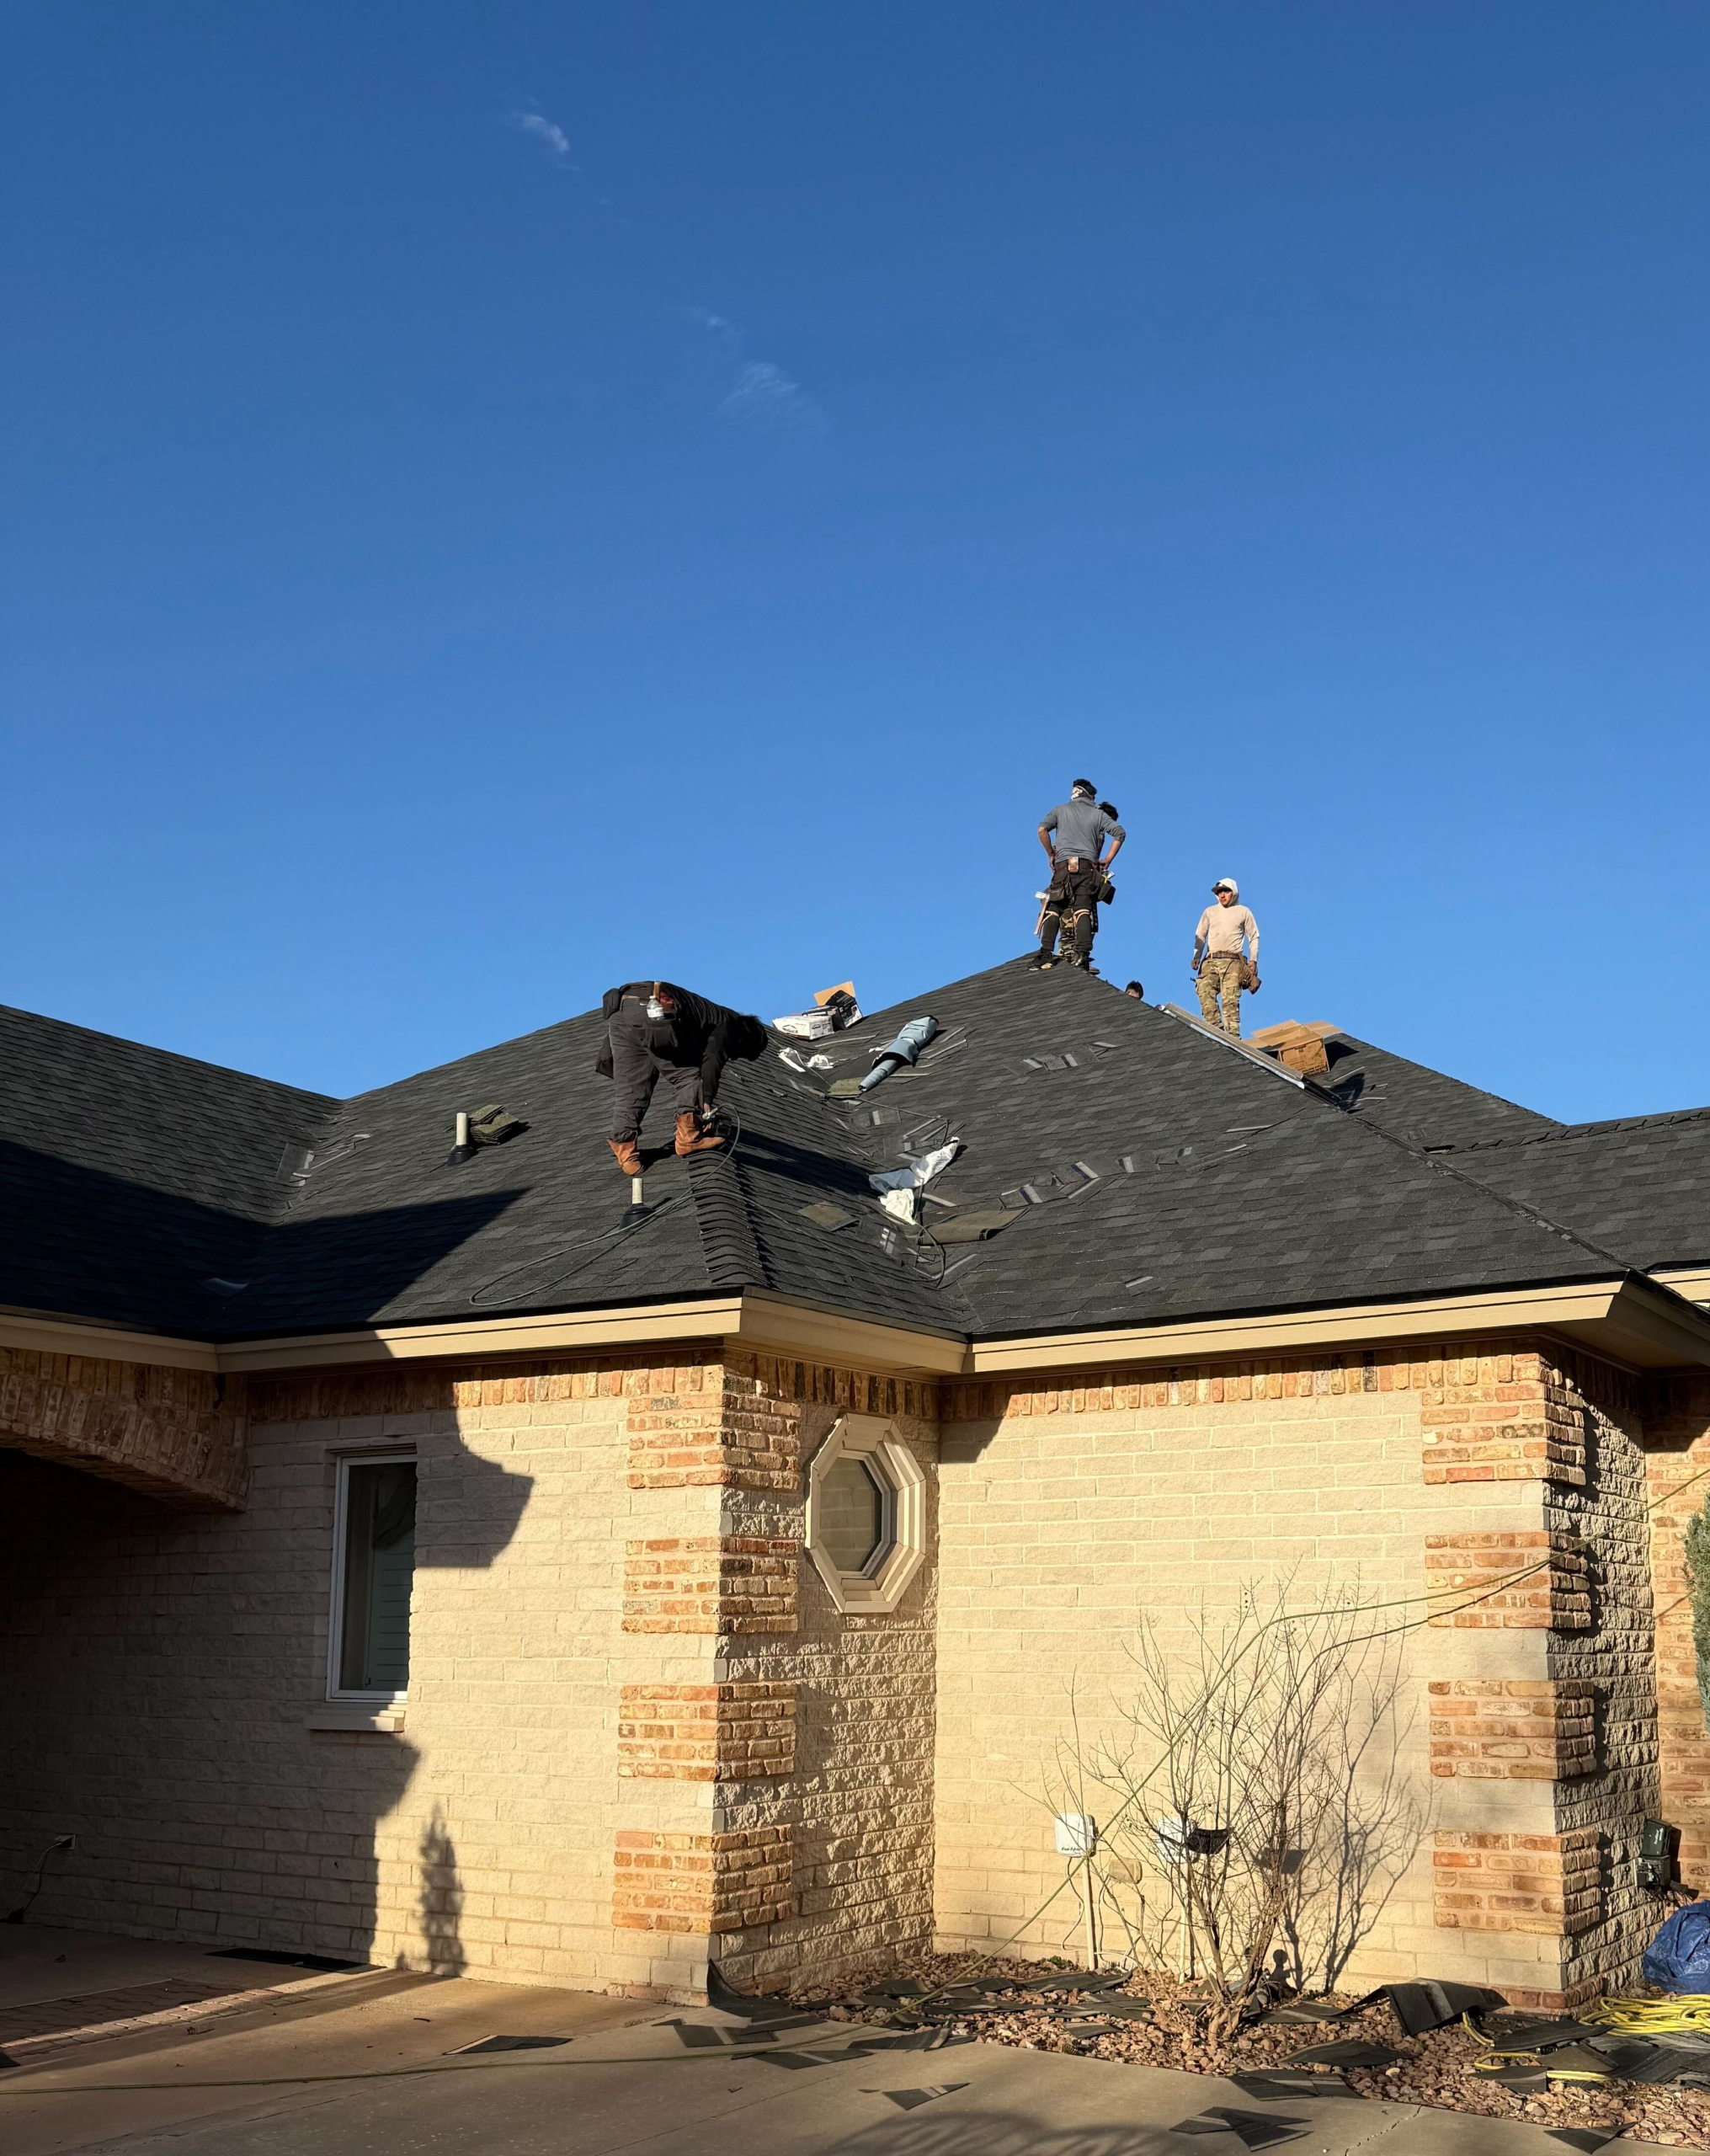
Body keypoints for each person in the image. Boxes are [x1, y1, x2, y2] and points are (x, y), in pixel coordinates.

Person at [596, 982, 768, 1176]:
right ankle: (689, 1137)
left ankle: (626, 1153)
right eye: (739, 1054)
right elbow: (712, 1061)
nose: (734, 1057)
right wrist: (706, 1104)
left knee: (631, 1090)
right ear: (747, 1040)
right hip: (654, 1010)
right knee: (690, 1075)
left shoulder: (707, 1016)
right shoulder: (733, 1025)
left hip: (621, 1014)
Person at [1031, 781, 1125, 971]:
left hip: (1062, 866)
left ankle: (1045, 952)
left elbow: (1042, 830)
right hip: (1086, 867)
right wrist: (1107, 859)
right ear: (1090, 797)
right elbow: (1120, 833)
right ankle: (1082, 954)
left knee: (1054, 907)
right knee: (1083, 909)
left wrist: (1051, 853)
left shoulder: (1060, 810)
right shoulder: (1097, 814)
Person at [1192, 878, 1261, 1036]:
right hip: (1211, 960)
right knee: (1204, 991)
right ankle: (1217, 1032)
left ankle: (1233, 1041)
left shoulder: (1243, 911)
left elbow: (1254, 936)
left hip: (1233, 962)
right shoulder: (1210, 912)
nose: (1222, 895)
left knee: (1230, 1003)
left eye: (1225, 891)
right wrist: (1196, 955)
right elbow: (1200, 936)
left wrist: (1253, 960)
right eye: (1219, 892)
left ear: (1233, 892)